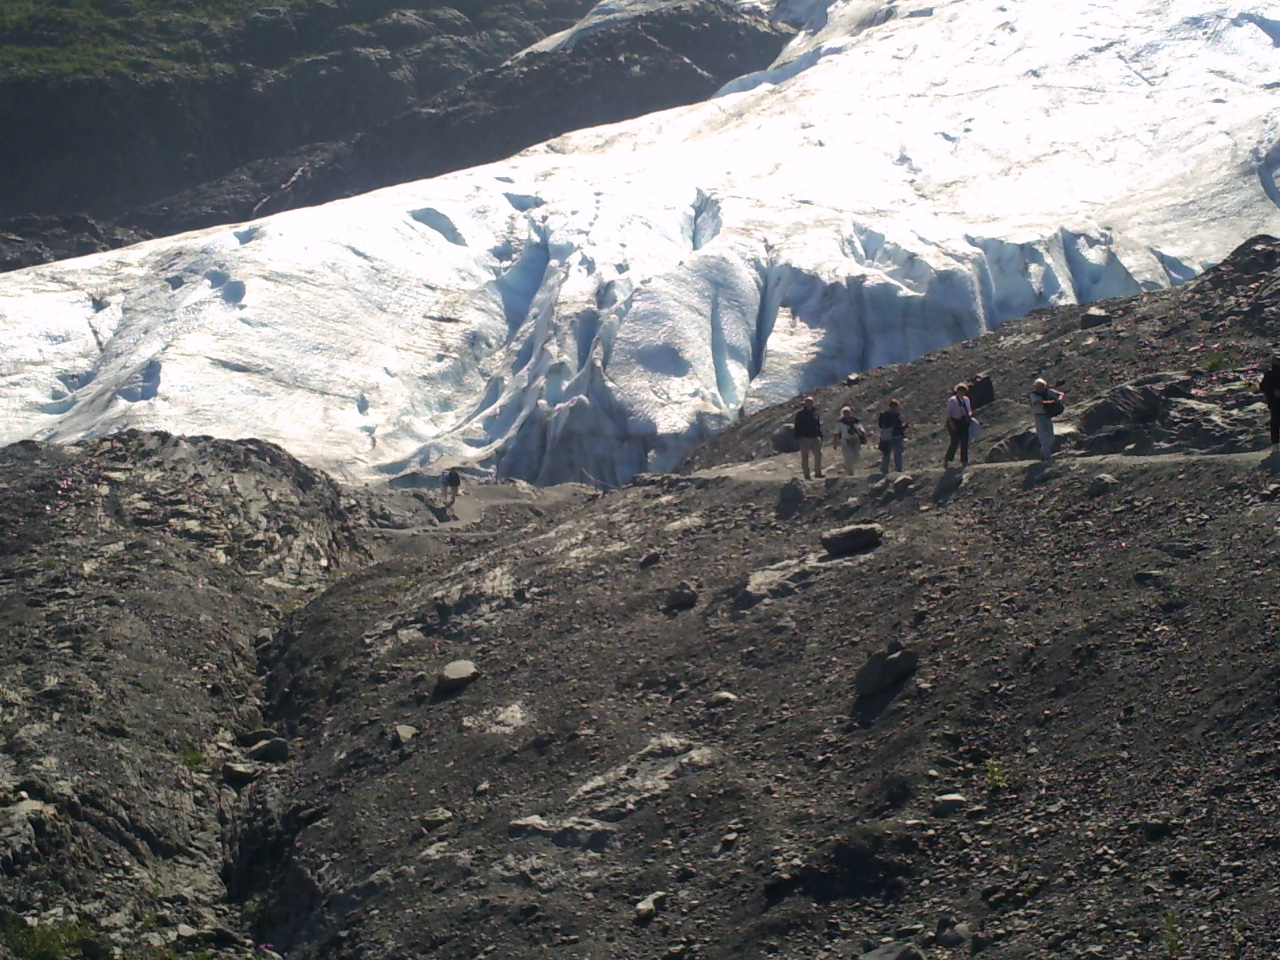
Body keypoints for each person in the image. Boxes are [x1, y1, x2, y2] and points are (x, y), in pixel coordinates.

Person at [1029, 378, 1065, 461]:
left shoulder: (1048, 392)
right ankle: (1047, 457)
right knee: (1043, 437)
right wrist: (1049, 402)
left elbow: (1060, 394)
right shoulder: (1033, 395)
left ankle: (1043, 453)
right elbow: (1036, 403)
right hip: (1038, 416)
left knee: (1051, 437)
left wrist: (1059, 400)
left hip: (1047, 415)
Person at [793, 396, 824, 479]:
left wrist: (820, 435)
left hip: (815, 437)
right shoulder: (801, 414)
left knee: (818, 455)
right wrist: (797, 437)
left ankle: (818, 472)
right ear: (805, 403)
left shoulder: (815, 414)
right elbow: (797, 426)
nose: (809, 404)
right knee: (805, 457)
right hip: (805, 438)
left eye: (811, 402)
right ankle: (806, 475)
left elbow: (818, 425)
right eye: (808, 402)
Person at [832, 406, 868, 475]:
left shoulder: (855, 421)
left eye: (847, 412)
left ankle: (849, 467)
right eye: (844, 413)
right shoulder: (840, 423)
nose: (846, 414)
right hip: (846, 441)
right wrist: (835, 443)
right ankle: (849, 472)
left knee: (857, 456)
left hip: (855, 441)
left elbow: (861, 430)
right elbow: (836, 433)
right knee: (848, 456)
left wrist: (864, 437)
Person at [944, 383, 973, 468]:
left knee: (964, 441)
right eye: (960, 390)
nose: (962, 392)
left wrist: (969, 415)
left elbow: (969, 410)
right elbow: (948, 414)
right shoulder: (953, 400)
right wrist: (952, 425)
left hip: (963, 422)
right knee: (955, 441)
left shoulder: (966, 400)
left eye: (963, 391)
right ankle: (947, 458)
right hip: (954, 421)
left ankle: (964, 461)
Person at [877, 399, 908, 473]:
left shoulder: (891, 415)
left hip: (894, 436)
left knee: (896, 453)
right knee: (888, 453)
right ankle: (888, 469)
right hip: (890, 437)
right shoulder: (887, 415)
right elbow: (882, 425)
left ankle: (897, 468)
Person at [1261, 354, 1280, 454]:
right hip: (1274, 403)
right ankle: (1275, 444)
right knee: (1275, 422)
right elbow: (1263, 388)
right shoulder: (1269, 374)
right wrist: (1273, 393)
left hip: (1274, 402)